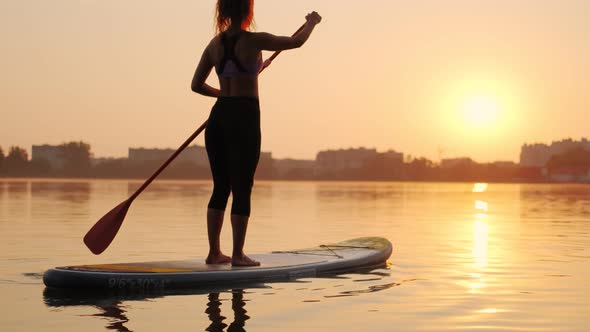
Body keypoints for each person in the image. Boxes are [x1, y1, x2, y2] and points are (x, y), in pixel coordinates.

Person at [191, 0, 321, 266]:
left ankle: (214, 253)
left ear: (223, 12)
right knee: (242, 186)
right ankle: (238, 255)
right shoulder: (255, 40)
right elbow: (295, 42)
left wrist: (223, 94)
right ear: (247, 11)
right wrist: (311, 23)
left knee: (220, 186)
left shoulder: (214, 45)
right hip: (245, 117)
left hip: (219, 116)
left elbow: (196, 85)